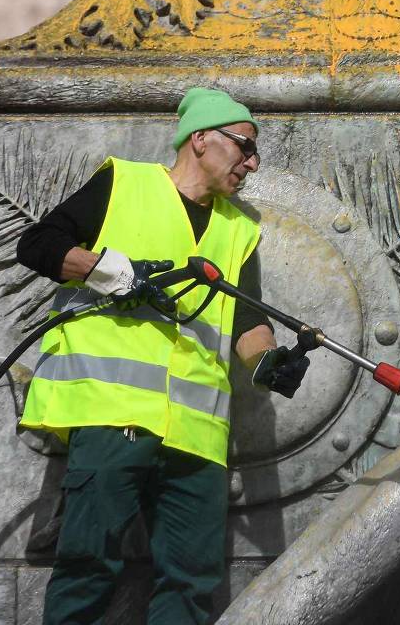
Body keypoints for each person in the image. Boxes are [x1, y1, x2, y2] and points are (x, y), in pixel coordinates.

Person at [16, 87, 301, 625]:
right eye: (244, 147)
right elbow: (38, 245)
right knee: (87, 564)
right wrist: (113, 272)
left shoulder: (238, 229)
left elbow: (244, 318)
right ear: (201, 140)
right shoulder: (124, 183)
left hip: (196, 434)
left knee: (192, 584)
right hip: (111, 414)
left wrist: (267, 362)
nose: (253, 163)